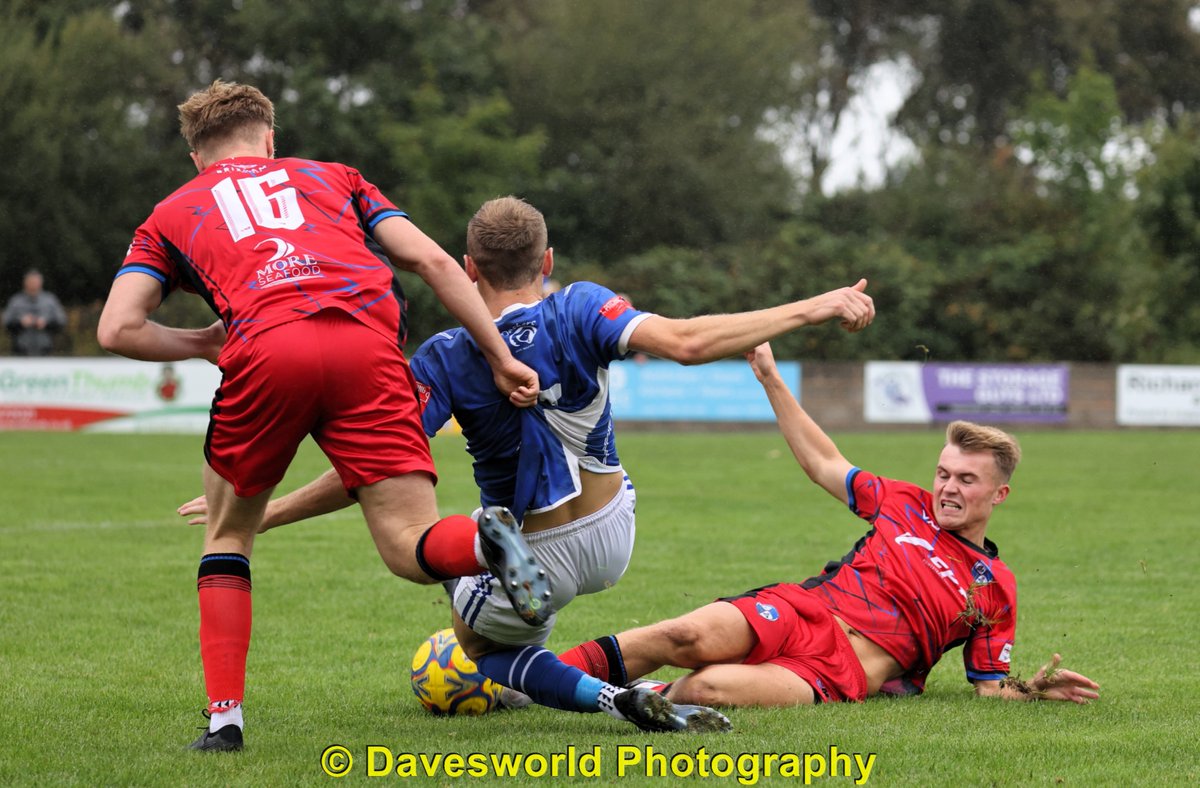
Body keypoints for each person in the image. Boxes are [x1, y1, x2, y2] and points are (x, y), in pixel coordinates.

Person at [181, 196, 877, 732]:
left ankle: (609, 695)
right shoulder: (580, 306)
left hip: (536, 552)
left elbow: (371, 474)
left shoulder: (446, 358)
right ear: (547, 262)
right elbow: (690, 342)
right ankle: (603, 670)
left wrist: (266, 514)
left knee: (478, 646)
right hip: (613, 531)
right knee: (554, 527)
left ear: (470, 268)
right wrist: (815, 306)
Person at [97, 80, 545, 753]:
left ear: (196, 157)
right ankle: (484, 540)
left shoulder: (169, 213)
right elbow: (427, 259)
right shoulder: (334, 177)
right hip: (367, 344)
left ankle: (225, 722)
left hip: (267, 347)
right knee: (408, 545)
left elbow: (117, 328)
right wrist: (499, 355)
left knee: (228, 535)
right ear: (270, 140)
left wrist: (200, 344)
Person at [559, 342, 1101, 708]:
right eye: (943, 473)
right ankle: (531, 680)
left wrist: (1034, 690)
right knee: (685, 636)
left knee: (709, 689)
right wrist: (770, 377)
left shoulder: (995, 589)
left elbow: (989, 687)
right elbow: (824, 463)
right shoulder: (901, 501)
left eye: (966, 479)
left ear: (998, 494)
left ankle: (620, 695)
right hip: (804, 611)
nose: (948, 488)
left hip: (837, 671)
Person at [4, 269, 66, 355]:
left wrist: (46, 324)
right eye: (31, 281)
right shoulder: (15, 301)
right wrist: (20, 324)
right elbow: (6, 324)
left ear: (41, 282)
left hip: (45, 350)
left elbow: (61, 322)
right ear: (25, 282)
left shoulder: (50, 300)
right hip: (20, 351)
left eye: (36, 281)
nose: (33, 284)